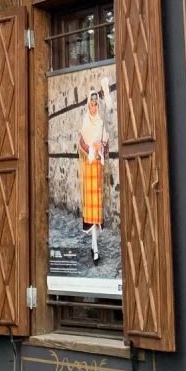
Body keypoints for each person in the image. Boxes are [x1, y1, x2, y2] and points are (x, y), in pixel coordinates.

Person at [77, 89, 109, 266]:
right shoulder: (85, 123)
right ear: (88, 105)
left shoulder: (101, 123)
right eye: (92, 104)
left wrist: (101, 147)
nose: (94, 107)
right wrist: (90, 148)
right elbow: (81, 144)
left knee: (98, 211)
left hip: (98, 168)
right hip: (89, 168)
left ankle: (95, 245)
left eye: (96, 104)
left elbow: (106, 144)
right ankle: (95, 247)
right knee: (91, 211)